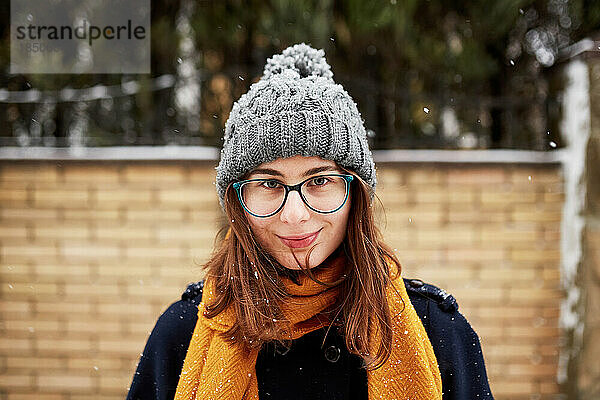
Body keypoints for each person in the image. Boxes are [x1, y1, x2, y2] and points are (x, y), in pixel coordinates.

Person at [126, 43, 494, 400]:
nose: (295, 214)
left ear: (355, 194)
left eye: (319, 181)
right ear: (238, 201)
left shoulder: (437, 331)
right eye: (270, 183)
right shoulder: (184, 332)